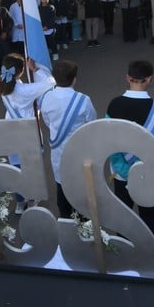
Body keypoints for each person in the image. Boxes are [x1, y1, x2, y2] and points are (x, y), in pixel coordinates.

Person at [107, 59, 154, 236]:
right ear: (149, 79)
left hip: (119, 173)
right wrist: (140, 168)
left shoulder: (114, 104)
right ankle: (149, 252)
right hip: (146, 173)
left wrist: (123, 169)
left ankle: (123, 246)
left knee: (123, 215)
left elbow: (108, 140)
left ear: (127, 77)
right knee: (147, 214)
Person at [0, 53, 55, 212]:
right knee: (32, 167)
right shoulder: (25, 90)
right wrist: (35, 69)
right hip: (28, 132)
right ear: (21, 71)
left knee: (16, 167)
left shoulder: (3, 85)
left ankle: (20, 202)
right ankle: (32, 199)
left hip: (10, 130)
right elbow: (51, 82)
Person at [39, 60, 97, 218]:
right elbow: (91, 124)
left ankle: (65, 225)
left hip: (58, 150)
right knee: (81, 188)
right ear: (74, 79)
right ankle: (85, 226)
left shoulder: (45, 99)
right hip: (79, 150)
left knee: (61, 186)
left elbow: (47, 121)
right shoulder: (83, 100)